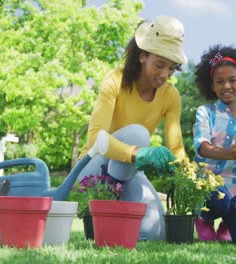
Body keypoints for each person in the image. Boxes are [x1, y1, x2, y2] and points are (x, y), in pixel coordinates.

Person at [77, 15, 188, 240]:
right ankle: (104, 208)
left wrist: (187, 177)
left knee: (155, 233)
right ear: (142, 56)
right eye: (159, 65)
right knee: (139, 133)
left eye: (171, 68)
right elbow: (95, 137)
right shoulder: (115, 81)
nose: (165, 75)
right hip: (93, 170)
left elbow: (176, 146)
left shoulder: (170, 96)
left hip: (128, 171)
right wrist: (139, 153)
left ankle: (116, 213)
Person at [192, 45, 236, 244]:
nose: (226, 86)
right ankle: (203, 218)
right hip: (208, 184)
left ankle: (227, 222)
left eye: (232, 80)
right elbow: (202, 147)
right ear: (212, 86)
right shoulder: (205, 112)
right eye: (220, 81)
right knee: (219, 200)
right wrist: (227, 153)